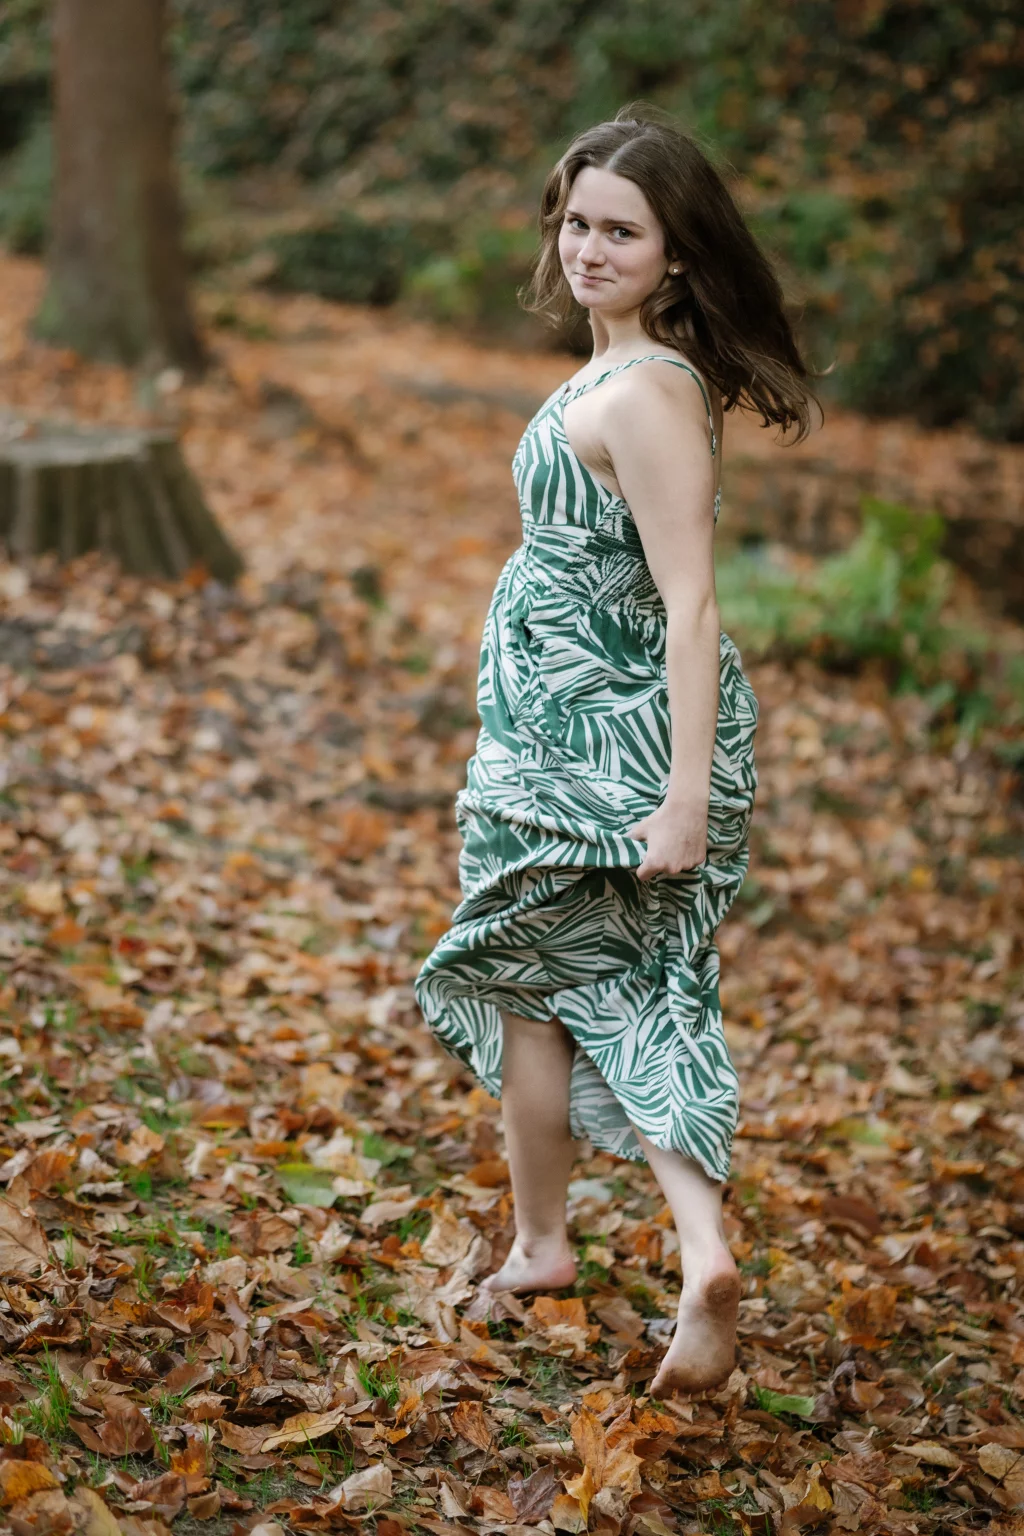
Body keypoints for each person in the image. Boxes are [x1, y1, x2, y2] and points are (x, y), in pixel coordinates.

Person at [414, 105, 817, 1398]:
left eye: (622, 231)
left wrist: (685, 796)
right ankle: (638, 1249)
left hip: (618, 753)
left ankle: (572, 1244)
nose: (590, 248)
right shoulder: (617, 372)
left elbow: (690, 601)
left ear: (677, 253)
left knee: (576, 982)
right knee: (594, 988)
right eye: (578, 221)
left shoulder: (642, 390)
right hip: (556, 741)